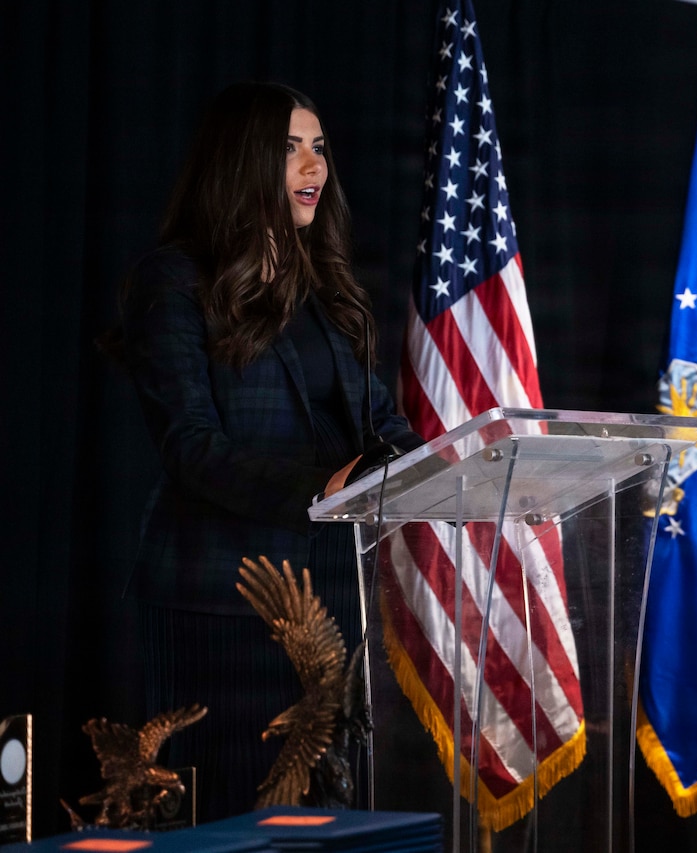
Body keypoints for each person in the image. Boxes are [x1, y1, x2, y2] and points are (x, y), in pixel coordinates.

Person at [117, 81, 422, 822]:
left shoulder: (328, 290)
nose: (312, 165)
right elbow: (192, 448)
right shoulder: (176, 281)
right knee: (236, 814)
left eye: (318, 148)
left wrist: (436, 464)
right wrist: (326, 485)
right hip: (219, 602)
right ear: (243, 162)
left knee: (323, 818)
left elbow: (383, 422)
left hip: (332, 601)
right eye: (289, 149)